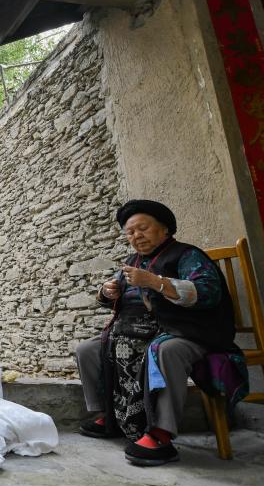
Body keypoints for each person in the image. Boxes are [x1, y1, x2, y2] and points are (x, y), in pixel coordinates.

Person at [74, 199, 241, 466]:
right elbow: (114, 295)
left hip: (187, 332)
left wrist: (155, 282)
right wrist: (107, 292)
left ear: (165, 229)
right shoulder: (133, 261)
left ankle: (161, 434)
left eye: (143, 228)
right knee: (88, 349)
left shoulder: (187, 255)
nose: (136, 236)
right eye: (130, 232)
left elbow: (208, 292)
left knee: (165, 350)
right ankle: (110, 416)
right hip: (136, 332)